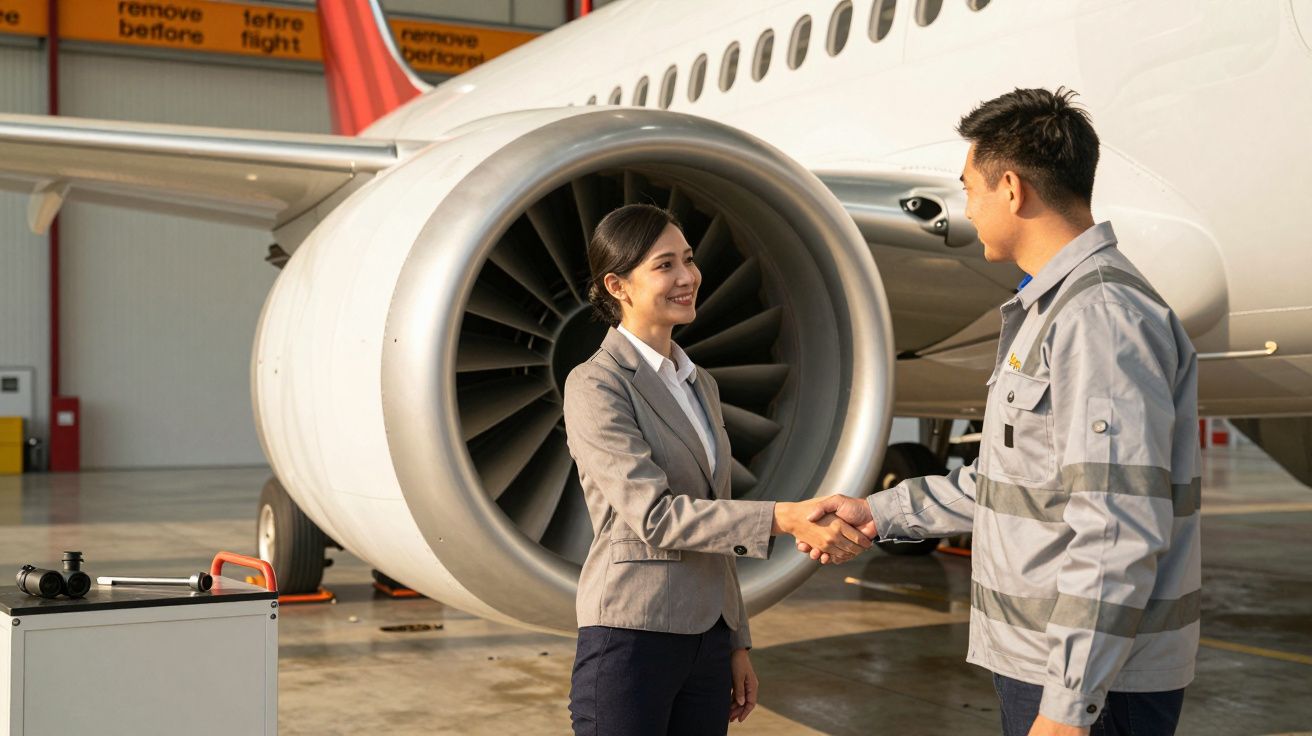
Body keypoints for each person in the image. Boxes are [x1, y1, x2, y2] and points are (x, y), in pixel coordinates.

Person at [801, 88, 1202, 736]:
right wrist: (880, 512)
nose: (966, 207)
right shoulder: (1055, 311)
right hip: (1053, 665)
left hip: (1094, 687)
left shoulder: (1097, 320)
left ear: (1011, 189)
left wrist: (1069, 708)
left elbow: (1115, 530)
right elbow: (1013, 483)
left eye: (969, 189)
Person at [562, 203, 873, 736]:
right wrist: (785, 518)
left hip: (707, 641)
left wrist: (735, 640)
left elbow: (714, 512)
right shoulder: (596, 384)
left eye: (688, 259)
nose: (688, 278)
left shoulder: (697, 383)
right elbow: (656, 517)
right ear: (618, 286)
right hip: (631, 635)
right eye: (664, 266)